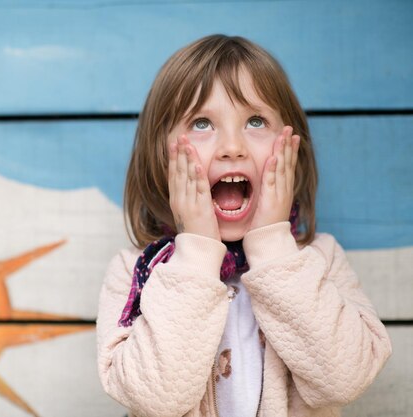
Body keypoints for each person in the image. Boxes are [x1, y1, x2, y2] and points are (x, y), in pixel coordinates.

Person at [96, 34, 392, 417]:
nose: (231, 147)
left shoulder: (322, 260)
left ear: (292, 151)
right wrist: (196, 251)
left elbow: (345, 379)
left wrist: (272, 248)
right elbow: (155, 399)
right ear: (161, 156)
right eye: (202, 123)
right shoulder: (135, 273)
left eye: (255, 121)